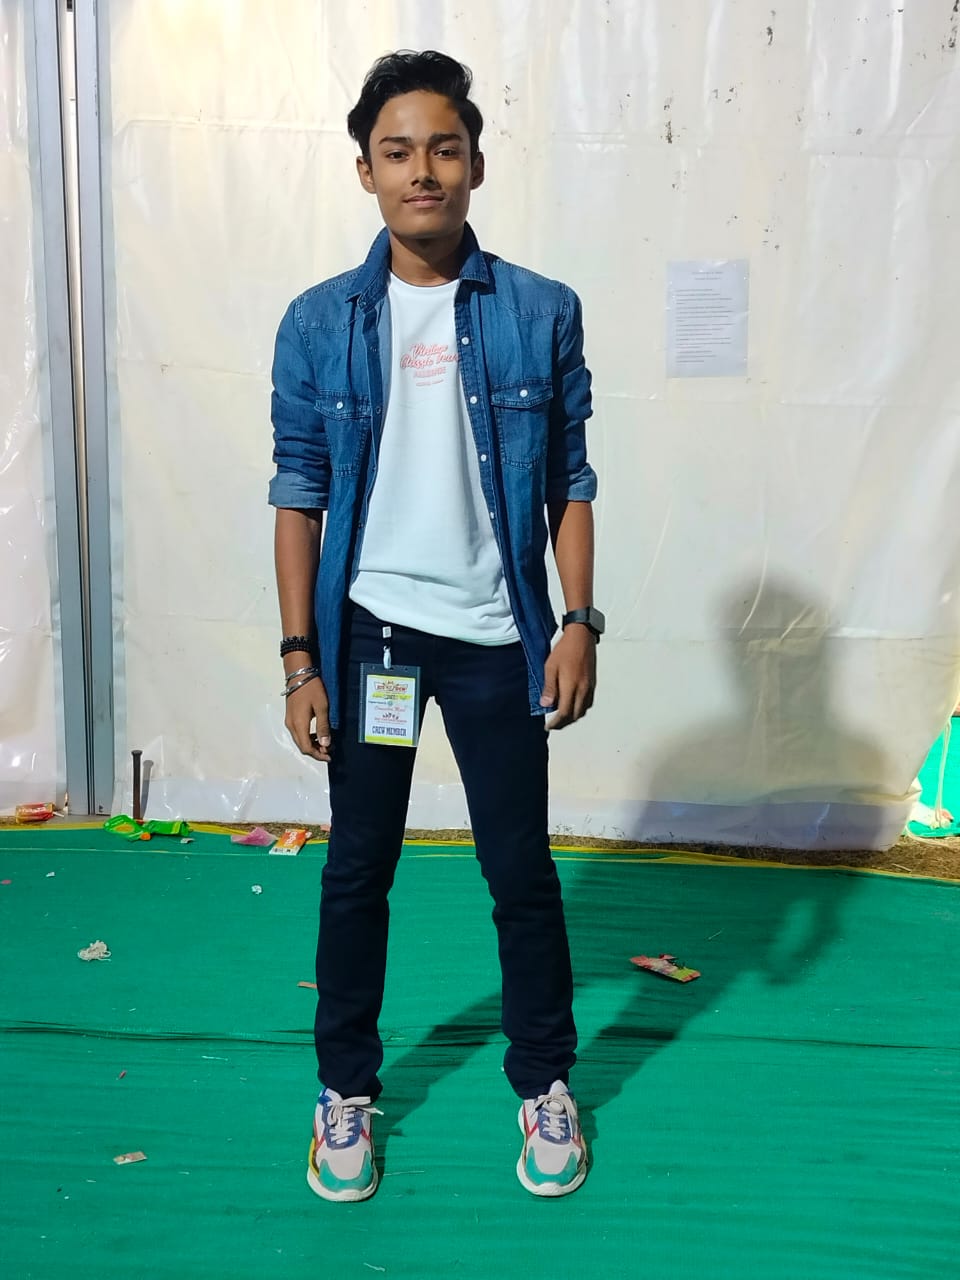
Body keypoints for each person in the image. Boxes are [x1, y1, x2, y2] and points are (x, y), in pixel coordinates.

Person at [269, 49, 603, 1202]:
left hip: (499, 638)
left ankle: (545, 1080)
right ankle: (344, 1091)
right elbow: (299, 492)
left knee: (521, 868)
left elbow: (568, 478)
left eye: (445, 149)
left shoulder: (541, 312)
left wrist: (578, 621)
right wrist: (300, 658)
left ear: (476, 165)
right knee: (359, 867)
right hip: (374, 638)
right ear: (366, 170)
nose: (424, 171)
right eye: (399, 151)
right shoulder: (319, 321)